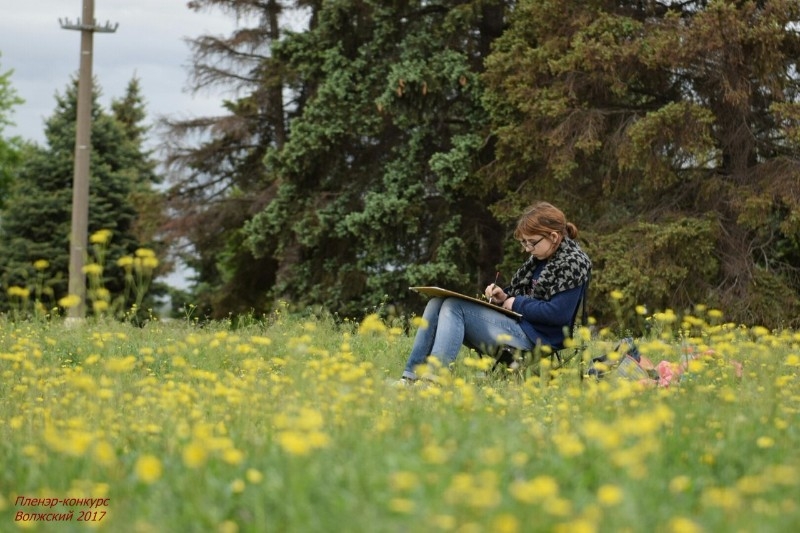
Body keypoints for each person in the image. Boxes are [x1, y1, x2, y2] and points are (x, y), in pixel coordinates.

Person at [398, 201, 592, 383]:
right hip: (519, 325)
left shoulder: (572, 263)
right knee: (436, 303)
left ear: (554, 237)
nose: (527, 249)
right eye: (524, 243)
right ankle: (410, 377)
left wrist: (515, 303)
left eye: (531, 242)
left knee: (454, 306)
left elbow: (558, 314)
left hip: (536, 338)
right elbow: (522, 296)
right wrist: (504, 297)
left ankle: (434, 381)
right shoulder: (540, 258)